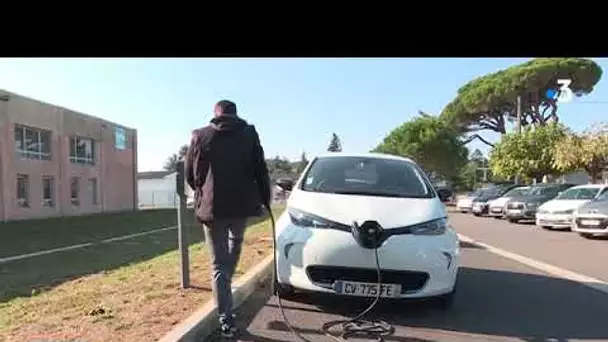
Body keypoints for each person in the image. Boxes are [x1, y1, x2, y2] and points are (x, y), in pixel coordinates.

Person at [184, 100, 271, 338]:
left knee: (218, 265)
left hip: (213, 208)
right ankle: (225, 295)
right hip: (241, 206)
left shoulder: (199, 136)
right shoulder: (249, 133)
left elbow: (189, 173)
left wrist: (202, 192)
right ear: (235, 114)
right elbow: (260, 169)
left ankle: (226, 319)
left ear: (215, 115)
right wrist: (266, 200)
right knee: (235, 247)